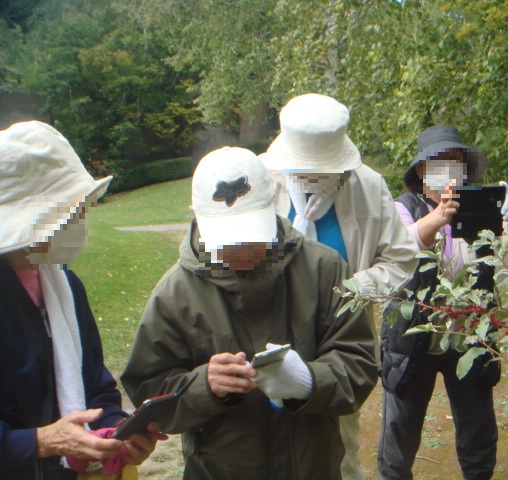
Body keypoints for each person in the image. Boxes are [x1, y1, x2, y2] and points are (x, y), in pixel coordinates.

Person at [120, 146, 378, 480]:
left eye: (252, 237)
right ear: (196, 215)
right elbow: (149, 394)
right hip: (219, 470)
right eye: (227, 243)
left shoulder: (325, 268)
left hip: (314, 465)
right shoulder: (174, 294)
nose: (242, 252)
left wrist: (306, 381)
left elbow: (359, 363)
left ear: (273, 204)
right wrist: (203, 386)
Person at [260, 92, 420, 480]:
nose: (314, 177)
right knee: (262, 447)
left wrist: (351, 289)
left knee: (338, 450)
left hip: (340, 342)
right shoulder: (257, 181)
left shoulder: (368, 185)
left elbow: (401, 257)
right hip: (264, 335)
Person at [0, 121, 162, 479]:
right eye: (70, 213)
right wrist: (43, 441)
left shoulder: (66, 286)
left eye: (81, 209)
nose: (80, 222)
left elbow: (97, 385)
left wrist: (119, 429)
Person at [377, 125, 508, 480]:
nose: (450, 168)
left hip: (469, 336)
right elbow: (402, 248)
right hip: (413, 334)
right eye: (440, 161)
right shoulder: (403, 208)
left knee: (478, 429)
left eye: (456, 161)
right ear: (421, 170)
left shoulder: (481, 209)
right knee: (400, 431)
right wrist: (439, 215)